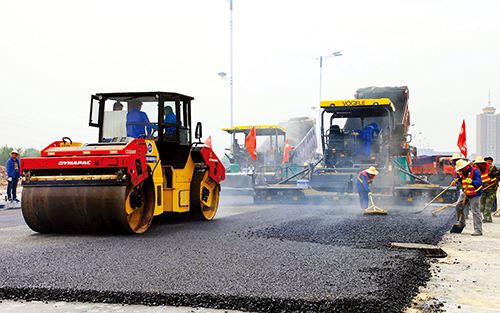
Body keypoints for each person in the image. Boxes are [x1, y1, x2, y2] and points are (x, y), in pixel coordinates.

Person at [455, 159, 483, 236]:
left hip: (475, 194)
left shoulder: (475, 172)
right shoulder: (461, 172)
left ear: (466, 166)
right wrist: (456, 181)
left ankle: (478, 230)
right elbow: (461, 180)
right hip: (466, 192)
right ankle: (461, 223)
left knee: (475, 211)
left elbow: (479, 183)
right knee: (458, 206)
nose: (460, 170)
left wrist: (471, 181)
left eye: (461, 168)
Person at [474, 156, 497, 223]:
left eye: (479, 163)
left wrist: (496, 180)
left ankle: (488, 219)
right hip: (483, 189)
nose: (478, 165)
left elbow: (498, 174)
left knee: (488, 203)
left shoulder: (492, 168)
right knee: (482, 204)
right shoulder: (477, 170)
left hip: (491, 189)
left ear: (483, 163)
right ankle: (485, 217)